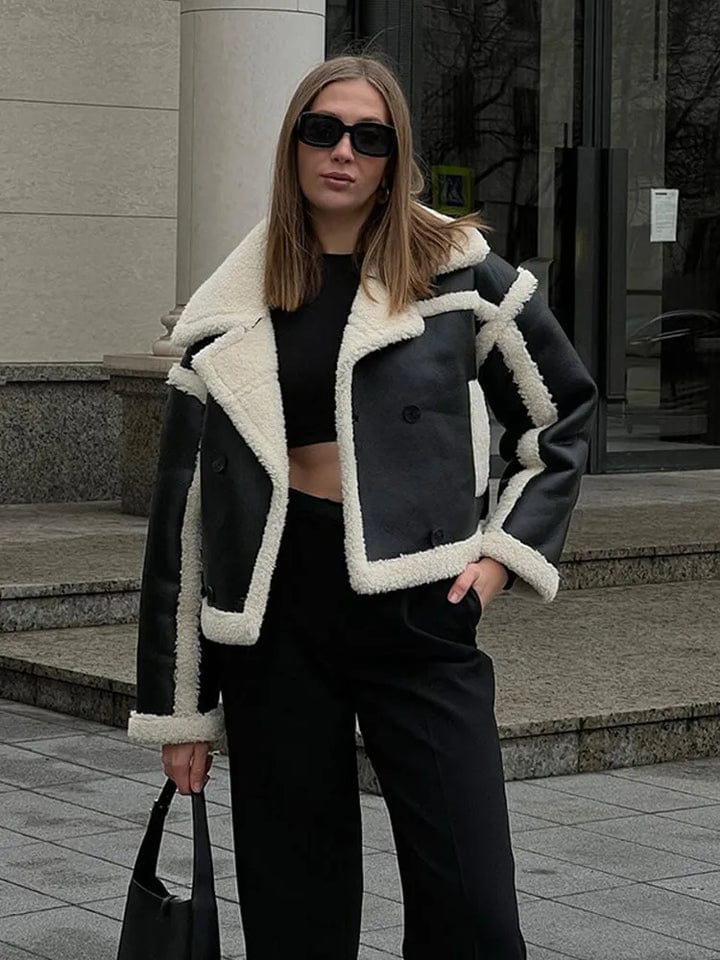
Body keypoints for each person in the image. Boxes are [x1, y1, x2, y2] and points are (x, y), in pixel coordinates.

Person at [127, 53, 598, 960]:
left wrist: (500, 558)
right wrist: (181, 712)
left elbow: (560, 417)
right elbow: (182, 524)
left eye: (369, 138)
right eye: (323, 130)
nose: (343, 152)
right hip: (277, 613)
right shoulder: (231, 305)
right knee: (295, 906)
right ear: (294, 145)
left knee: (474, 906)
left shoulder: (459, 276)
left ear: (393, 158)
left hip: (420, 603)